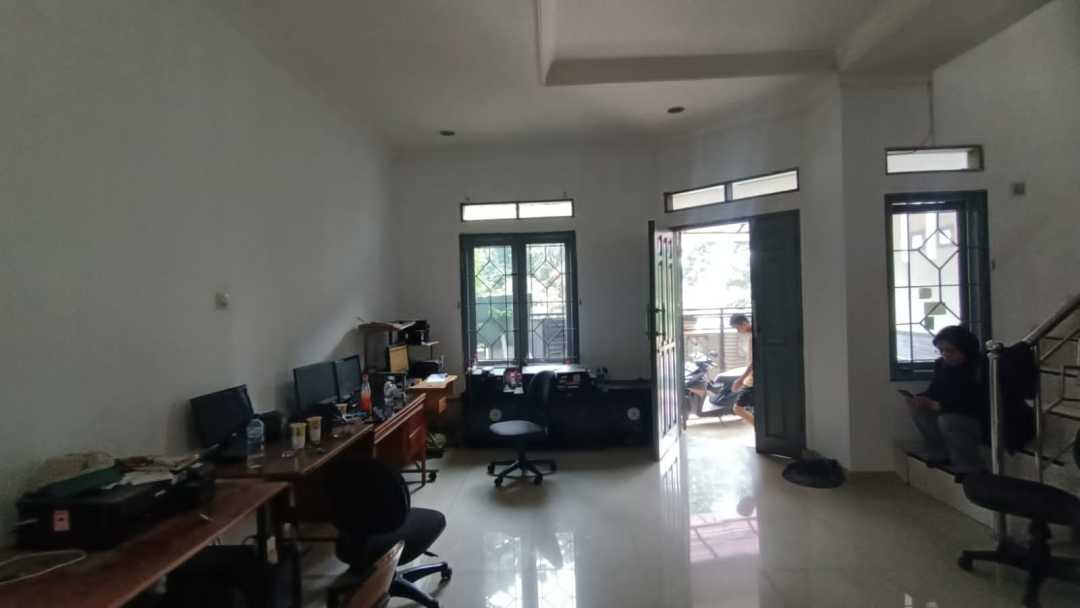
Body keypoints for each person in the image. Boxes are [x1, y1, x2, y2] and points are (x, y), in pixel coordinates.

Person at [907, 325, 989, 474]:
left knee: (948, 420)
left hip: (978, 419)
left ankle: (969, 466)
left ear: (965, 349)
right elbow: (934, 391)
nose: (945, 354)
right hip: (950, 411)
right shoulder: (941, 365)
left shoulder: (981, 367)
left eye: (950, 350)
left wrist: (940, 406)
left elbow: (977, 402)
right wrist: (921, 398)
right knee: (918, 408)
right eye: (941, 350)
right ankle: (940, 453)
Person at [729, 314, 755, 426]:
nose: (737, 331)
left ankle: (759, 429)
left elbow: (754, 362)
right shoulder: (752, 336)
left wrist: (740, 380)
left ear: (744, 324)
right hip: (751, 379)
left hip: (753, 381)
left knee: (738, 408)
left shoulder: (754, 337)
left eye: (737, 328)